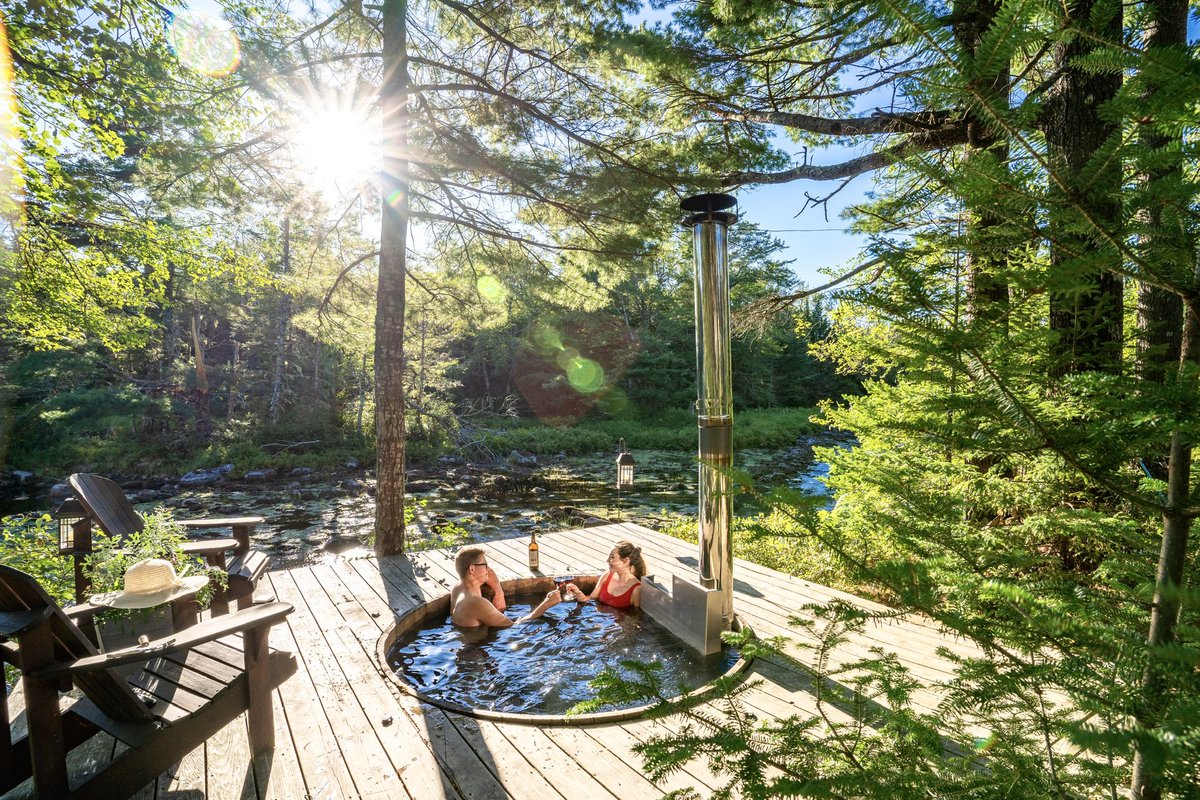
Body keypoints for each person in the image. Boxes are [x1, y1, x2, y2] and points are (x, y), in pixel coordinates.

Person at [450, 546, 561, 627]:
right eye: (485, 565)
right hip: (478, 650)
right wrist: (546, 604)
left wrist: (499, 593)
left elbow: (490, 572)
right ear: (472, 569)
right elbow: (514, 626)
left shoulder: (458, 589)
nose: (488, 569)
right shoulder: (477, 603)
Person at [564, 540, 646, 608]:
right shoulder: (607, 576)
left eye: (612, 557)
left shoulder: (636, 590)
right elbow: (590, 599)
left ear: (626, 560)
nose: (607, 560)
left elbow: (636, 619)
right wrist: (578, 593)